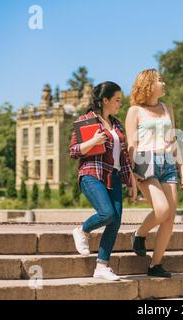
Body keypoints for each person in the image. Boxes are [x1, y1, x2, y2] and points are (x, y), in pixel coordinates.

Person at [70, 81, 137, 281]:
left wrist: (131, 180)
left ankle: (102, 266)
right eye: (116, 100)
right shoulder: (87, 120)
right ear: (104, 100)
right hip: (92, 174)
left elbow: (123, 156)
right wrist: (93, 141)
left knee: (115, 221)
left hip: (114, 176)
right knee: (107, 213)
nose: (119, 104)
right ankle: (82, 230)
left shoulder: (116, 124)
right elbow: (74, 151)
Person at [125, 69, 183, 278]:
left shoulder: (167, 108)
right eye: (160, 80)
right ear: (148, 85)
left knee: (169, 219)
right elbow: (131, 143)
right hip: (145, 163)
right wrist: (132, 173)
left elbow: (173, 139)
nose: (164, 83)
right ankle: (139, 234)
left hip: (168, 163)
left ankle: (155, 265)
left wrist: (182, 166)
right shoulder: (135, 111)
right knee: (161, 210)